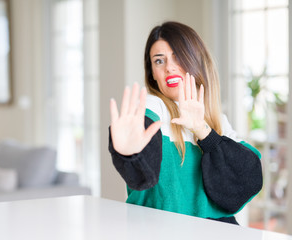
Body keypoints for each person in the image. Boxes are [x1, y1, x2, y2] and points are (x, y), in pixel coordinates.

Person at [108, 21, 263, 225]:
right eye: (159, 61)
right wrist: (131, 154)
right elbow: (142, 175)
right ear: (152, 73)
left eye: (177, 56)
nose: (170, 67)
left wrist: (204, 132)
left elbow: (248, 181)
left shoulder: (218, 121)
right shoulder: (153, 107)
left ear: (196, 61)